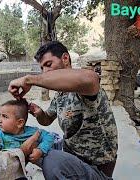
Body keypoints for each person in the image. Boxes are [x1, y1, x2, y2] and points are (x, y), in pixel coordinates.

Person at [8, 41, 118, 179]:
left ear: (65, 58)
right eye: (42, 68)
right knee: (28, 147)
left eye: (48, 65)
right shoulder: (60, 94)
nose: (45, 72)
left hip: (96, 167)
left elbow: (91, 78)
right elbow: (47, 119)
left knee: (52, 161)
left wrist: (29, 79)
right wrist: (39, 112)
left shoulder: (83, 87)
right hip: (71, 157)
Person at [0, 99, 61, 163]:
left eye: (5, 116)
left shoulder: (33, 133)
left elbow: (49, 136)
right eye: (0, 115)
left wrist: (40, 150)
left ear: (20, 123)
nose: (0, 120)